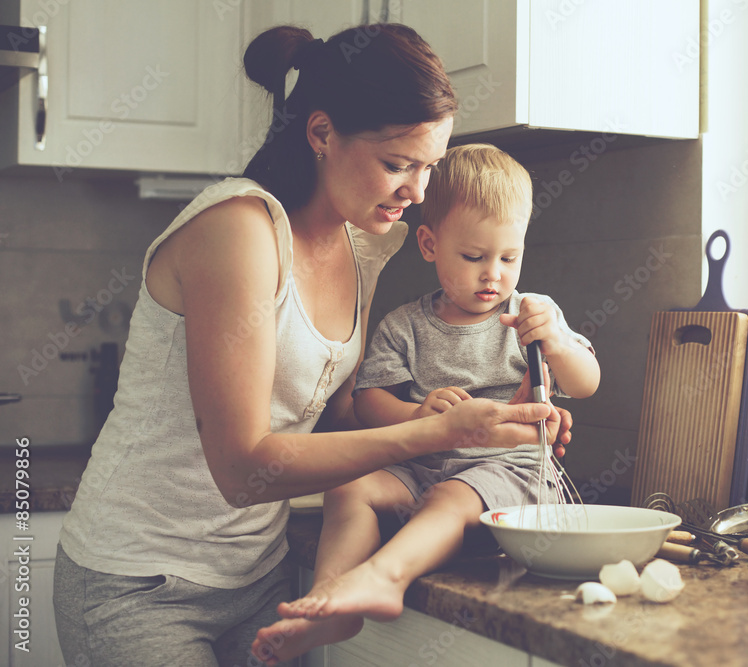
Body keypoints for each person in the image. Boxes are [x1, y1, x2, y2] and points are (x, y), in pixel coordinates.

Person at [52, 25, 565, 667]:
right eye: (397, 163)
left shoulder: (365, 245)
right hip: (140, 581)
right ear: (321, 134)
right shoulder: (238, 230)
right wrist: (432, 436)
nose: (419, 192)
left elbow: (337, 417)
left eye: (429, 165)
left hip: (259, 576)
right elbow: (242, 470)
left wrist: (466, 423)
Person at [251, 143, 601, 664]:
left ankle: (384, 577)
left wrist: (559, 343)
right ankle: (328, 599)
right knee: (349, 485)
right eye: (474, 257)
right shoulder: (406, 326)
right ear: (430, 244)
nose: (494, 276)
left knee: (451, 498)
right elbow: (369, 404)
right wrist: (418, 417)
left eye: (509, 258)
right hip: (418, 472)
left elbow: (587, 381)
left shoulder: (531, 316)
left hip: (508, 477)